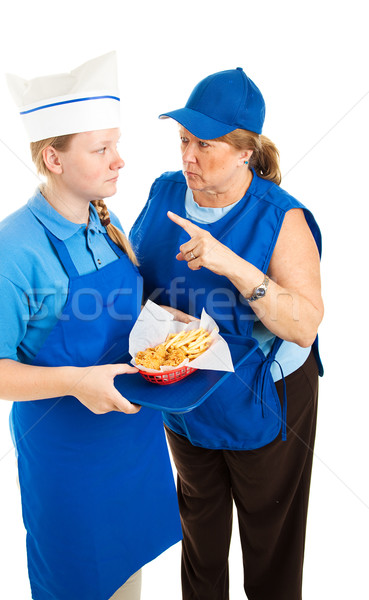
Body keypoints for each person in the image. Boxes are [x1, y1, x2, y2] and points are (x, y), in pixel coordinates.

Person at [0, 52, 182, 600]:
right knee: (79, 580)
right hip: (70, 458)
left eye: (117, 145)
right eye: (101, 149)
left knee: (128, 577)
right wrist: (75, 382)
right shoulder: (11, 251)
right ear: (53, 159)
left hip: (132, 440)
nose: (120, 162)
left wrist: (163, 325)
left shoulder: (105, 224)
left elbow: (118, 324)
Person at [129, 67, 324, 600]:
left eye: (205, 145)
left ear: (245, 151)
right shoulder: (166, 191)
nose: (188, 156)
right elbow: (141, 274)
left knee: (270, 545)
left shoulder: (281, 219)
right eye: (184, 140)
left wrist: (233, 266)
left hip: (263, 401)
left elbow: (305, 324)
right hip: (186, 400)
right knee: (200, 538)